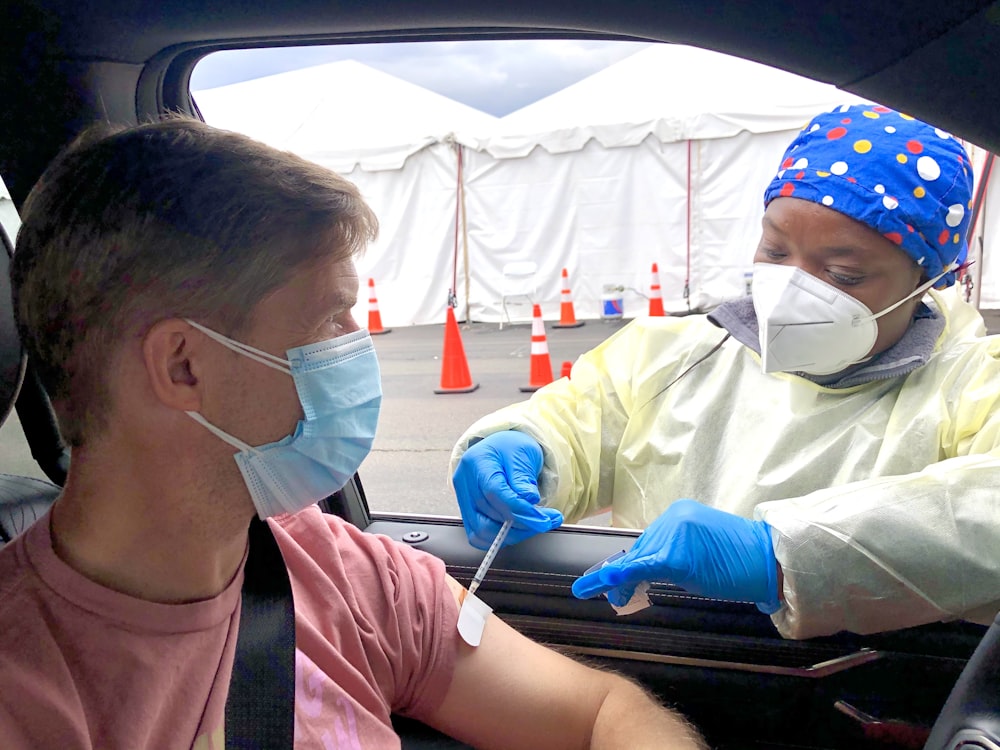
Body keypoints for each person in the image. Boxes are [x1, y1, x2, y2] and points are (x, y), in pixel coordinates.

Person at [0, 118, 707, 749]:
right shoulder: (27, 686)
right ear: (184, 366)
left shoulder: (344, 571)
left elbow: (603, 713)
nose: (357, 346)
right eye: (330, 320)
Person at [451, 102, 1000, 641]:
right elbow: (580, 418)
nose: (792, 288)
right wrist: (529, 449)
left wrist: (785, 555)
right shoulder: (674, 352)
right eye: (775, 249)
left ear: (929, 279)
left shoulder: (972, 383)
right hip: (660, 638)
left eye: (843, 274)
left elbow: (983, 515)